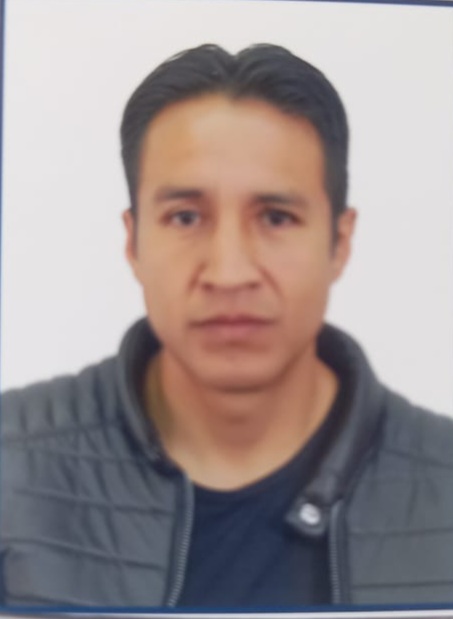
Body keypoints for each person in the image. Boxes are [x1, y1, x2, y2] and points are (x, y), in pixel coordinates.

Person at [1, 43, 452, 610]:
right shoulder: (12, 459)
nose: (229, 273)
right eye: (186, 217)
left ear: (339, 242)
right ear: (133, 242)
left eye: (276, 217)